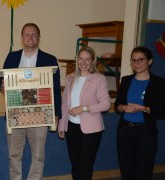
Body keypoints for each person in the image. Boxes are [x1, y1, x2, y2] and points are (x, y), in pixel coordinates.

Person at [0, 23, 62, 180]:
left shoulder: (50, 59)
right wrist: (2, 86)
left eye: (34, 34)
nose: (30, 37)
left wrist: (56, 114)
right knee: (14, 155)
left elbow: (55, 88)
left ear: (39, 37)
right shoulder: (12, 57)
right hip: (15, 115)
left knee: (38, 156)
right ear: (21, 38)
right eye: (27, 34)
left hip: (40, 115)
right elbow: (1, 81)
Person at [58, 46, 110, 180]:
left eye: (88, 59)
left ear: (93, 61)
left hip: (91, 130)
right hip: (71, 128)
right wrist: (62, 125)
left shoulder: (99, 79)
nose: (84, 62)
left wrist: (83, 108)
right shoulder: (70, 78)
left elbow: (105, 105)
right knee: (75, 166)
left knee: (85, 167)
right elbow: (64, 104)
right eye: (81, 58)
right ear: (76, 60)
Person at [114, 46, 165, 180]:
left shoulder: (159, 83)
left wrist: (142, 108)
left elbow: (162, 110)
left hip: (146, 133)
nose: (136, 63)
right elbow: (117, 105)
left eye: (140, 60)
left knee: (144, 171)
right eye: (133, 60)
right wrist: (124, 107)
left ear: (149, 61)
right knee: (126, 170)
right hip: (125, 131)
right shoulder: (126, 80)